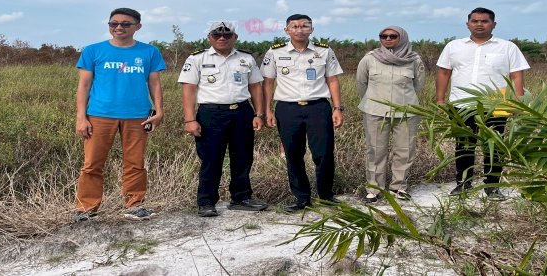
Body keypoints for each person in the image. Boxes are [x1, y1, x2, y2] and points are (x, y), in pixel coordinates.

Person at [73, 7, 166, 221]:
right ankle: (86, 208)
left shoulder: (149, 52)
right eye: (113, 23)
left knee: (135, 163)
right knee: (92, 163)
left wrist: (159, 111)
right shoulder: (93, 51)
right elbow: (84, 86)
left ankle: (134, 205)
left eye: (125, 24)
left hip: (138, 115)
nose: (119, 27)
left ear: (137, 27)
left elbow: (154, 83)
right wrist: (81, 117)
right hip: (100, 114)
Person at [435, 7, 530, 198]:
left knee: (494, 145)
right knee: (463, 145)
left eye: (484, 21)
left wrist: (519, 102)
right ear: (467, 24)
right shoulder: (454, 46)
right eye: (475, 21)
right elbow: (444, 72)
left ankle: (492, 186)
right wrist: (440, 99)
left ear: (493, 24)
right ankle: (463, 184)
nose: (479, 24)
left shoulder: (507, 47)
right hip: (461, 104)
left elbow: (516, 75)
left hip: (497, 105)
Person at [179, 21, 269, 217]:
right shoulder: (197, 58)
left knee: (243, 157)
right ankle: (206, 202)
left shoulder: (246, 58)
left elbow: (255, 87)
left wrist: (259, 114)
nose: (222, 38)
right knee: (211, 159)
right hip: (211, 114)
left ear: (235, 37)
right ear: (209, 37)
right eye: (216, 34)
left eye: (227, 35)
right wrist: (189, 119)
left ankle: (241, 198)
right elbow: (189, 89)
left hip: (242, 112)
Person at [261, 13, 344, 212]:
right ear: (287, 30)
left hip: (318, 107)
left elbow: (332, 80)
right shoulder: (275, 52)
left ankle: (326, 196)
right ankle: (302, 198)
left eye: (305, 26)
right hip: (287, 108)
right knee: (293, 154)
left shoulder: (323, 51)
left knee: (323, 153)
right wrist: (267, 111)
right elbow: (268, 83)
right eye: (295, 26)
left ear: (312, 30)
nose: (300, 30)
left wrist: (338, 108)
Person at [356, 26, 426, 202]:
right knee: (375, 150)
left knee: (405, 150)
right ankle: (374, 189)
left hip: (406, 111)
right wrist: (373, 101)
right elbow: (361, 84)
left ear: (402, 37)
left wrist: (406, 101)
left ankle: (399, 187)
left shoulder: (414, 59)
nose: (387, 39)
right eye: (383, 36)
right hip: (374, 111)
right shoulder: (370, 59)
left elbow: (419, 85)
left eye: (393, 36)